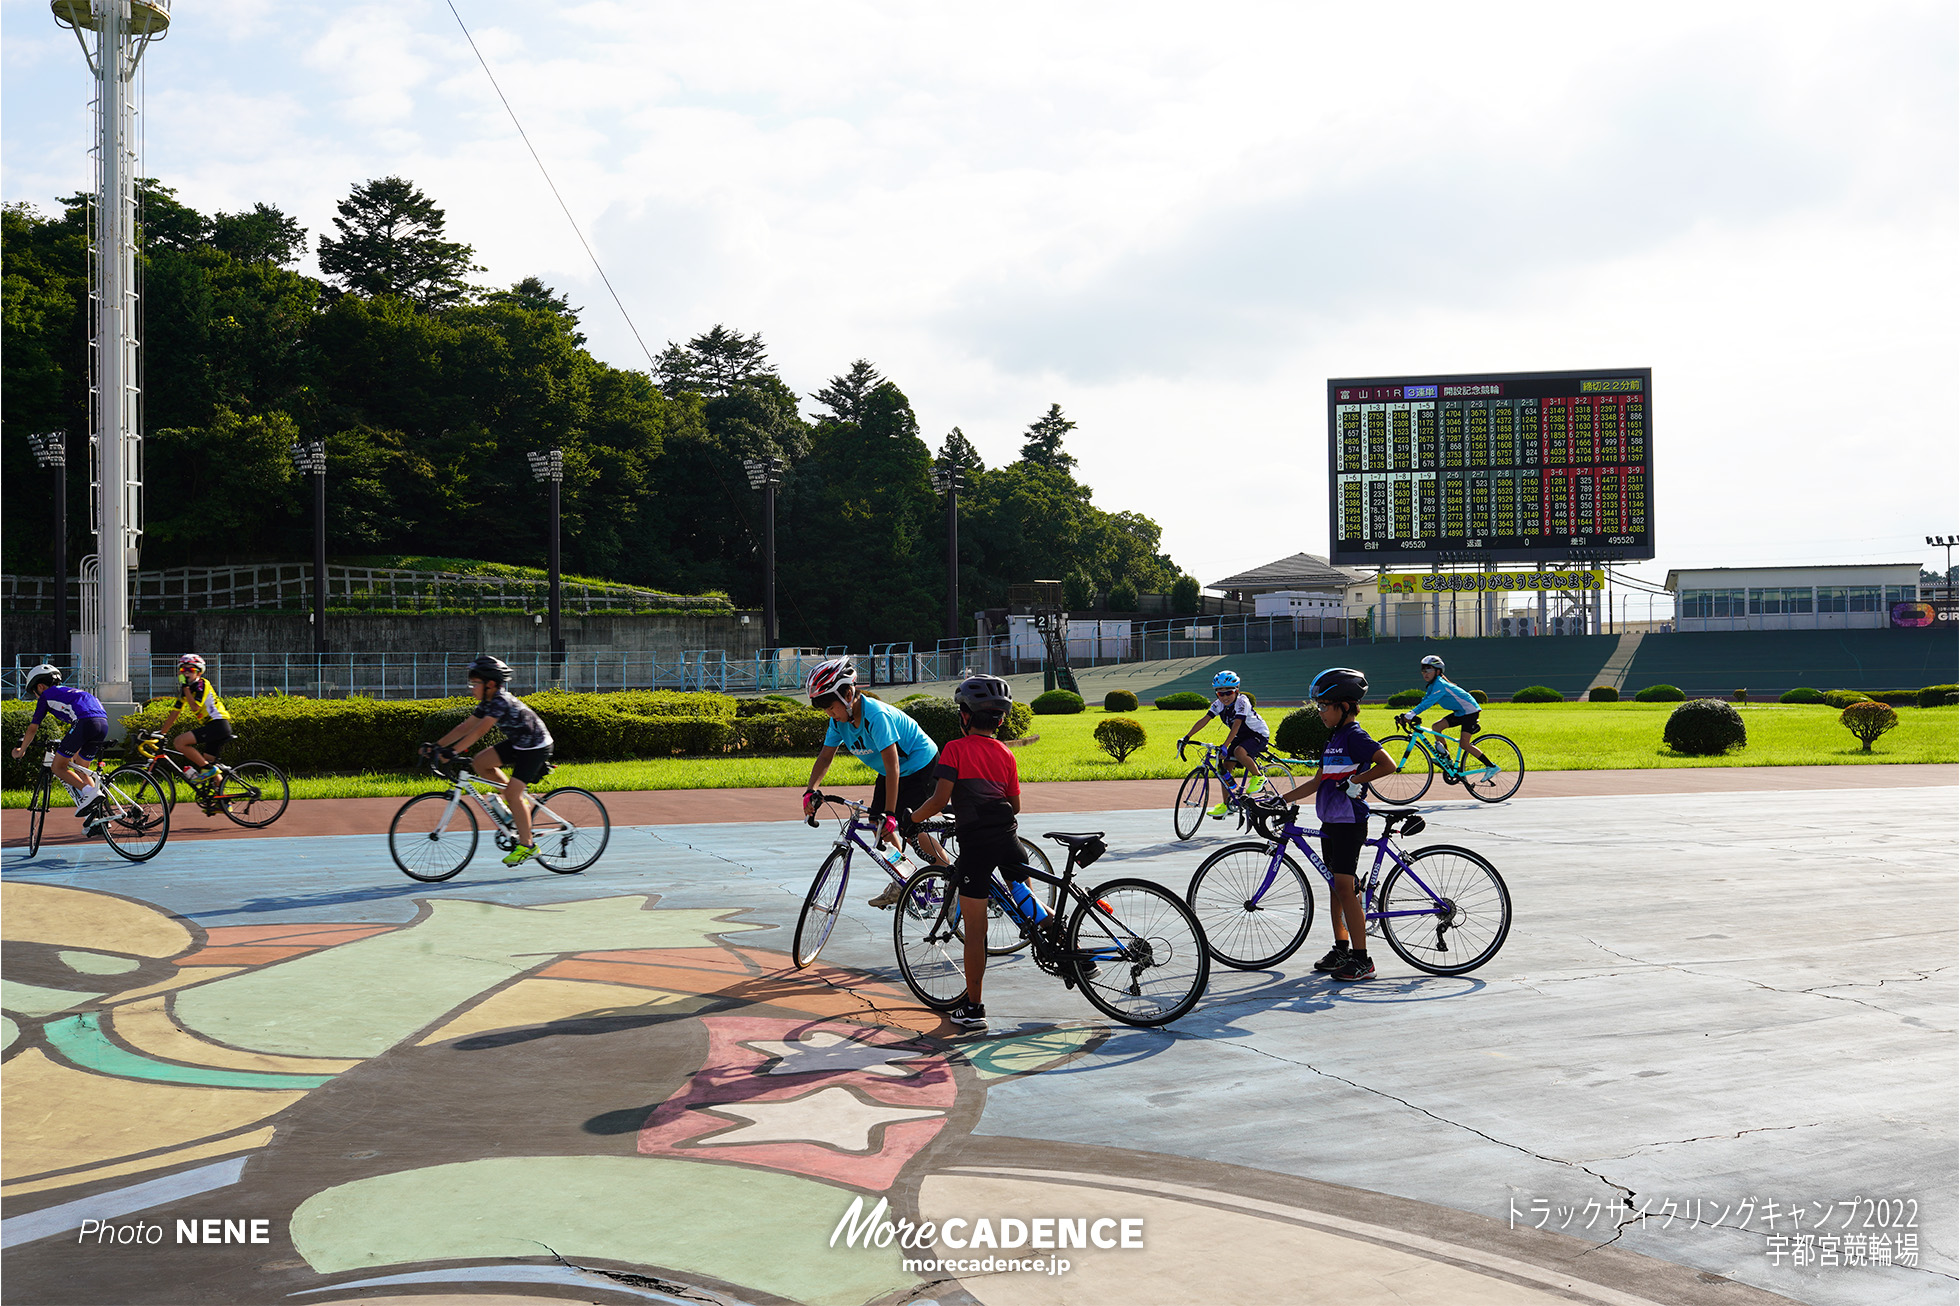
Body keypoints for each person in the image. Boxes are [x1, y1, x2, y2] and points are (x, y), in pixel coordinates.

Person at [902, 674, 1025, 1031]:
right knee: (1024, 894)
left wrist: (913, 819)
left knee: (975, 928)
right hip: (1008, 838)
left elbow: (939, 799)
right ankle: (1063, 937)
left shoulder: (955, 749)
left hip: (977, 847)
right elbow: (1014, 805)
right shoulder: (1005, 753)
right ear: (1000, 720)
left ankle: (973, 1009)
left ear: (967, 716)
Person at [1271, 667, 1396, 982]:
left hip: (1349, 821)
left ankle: (1362, 959)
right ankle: (1342, 948)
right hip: (1331, 820)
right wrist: (1280, 799)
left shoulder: (1355, 736)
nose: (1320, 711)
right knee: (1335, 886)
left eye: (1325, 705)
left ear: (1344, 706)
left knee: (1343, 886)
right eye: (1319, 705)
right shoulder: (1334, 738)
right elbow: (1317, 782)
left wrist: (1356, 779)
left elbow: (1388, 765)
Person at [801, 657, 944, 907]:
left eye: (830, 706)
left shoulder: (876, 715)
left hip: (920, 763)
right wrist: (810, 790)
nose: (828, 713)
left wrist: (891, 812)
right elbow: (825, 757)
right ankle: (905, 879)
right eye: (823, 708)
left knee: (911, 826)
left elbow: (893, 764)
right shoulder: (838, 721)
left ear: (847, 694)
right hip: (894, 770)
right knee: (879, 827)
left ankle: (951, 878)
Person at [423, 656, 555, 867]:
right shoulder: (487, 702)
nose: (471, 688)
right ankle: (516, 808)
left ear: (490, 684)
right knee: (480, 762)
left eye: (475, 683)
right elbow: (465, 727)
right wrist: (437, 746)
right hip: (518, 742)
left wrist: (453, 751)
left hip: (535, 747)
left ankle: (528, 846)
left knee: (512, 793)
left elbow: (480, 731)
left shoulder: (500, 701)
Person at [10, 664, 111, 823]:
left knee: (57, 767)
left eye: (35, 693)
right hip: (102, 723)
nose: (37, 697)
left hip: (83, 723)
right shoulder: (71, 692)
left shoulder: (46, 695)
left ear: (40, 686)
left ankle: (90, 793)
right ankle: (97, 817)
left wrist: (21, 750)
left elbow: (32, 728)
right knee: (82, 769)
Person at [1176, 669, 1272, 818]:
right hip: (1240, 736)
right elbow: (1204, 720)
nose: (1225, 697)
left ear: (1237, 691)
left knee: (1239, 751)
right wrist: (1186, 737)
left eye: (1229, 693)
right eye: (1220, 693)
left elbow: (1237, 724)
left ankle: (1258, 776)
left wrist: (1225, 745)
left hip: (1257, 734)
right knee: (1224, 767)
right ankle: (1227, 804)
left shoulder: (1242, 701)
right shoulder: (1218, 705)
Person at [1399, 654, 1490, 774]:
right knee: (1436, 727)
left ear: (1437, 671)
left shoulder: (1440, 685)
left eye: (1428, 670)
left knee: (1464, 744)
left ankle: (1491, 766)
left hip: (1470, 712)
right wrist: (1409, 714)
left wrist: (1411, 714)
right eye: (1423, 670)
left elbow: (1429, 703)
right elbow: (1424, 701)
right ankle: (1447, 760)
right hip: (1460, 712)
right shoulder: (1433, 685)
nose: (1425, 673)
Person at [156, 654, 233, 786]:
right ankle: (224, 802)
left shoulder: (202, 684)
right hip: (213, 726)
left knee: (179, 742)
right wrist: (161, 733)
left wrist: (185, 689)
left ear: (198, 672)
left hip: (218, 724)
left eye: (190, 670)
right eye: (183, 670)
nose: (186, 673)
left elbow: (195, 706)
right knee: (208, 765)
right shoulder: (186, 690)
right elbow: (175, 712)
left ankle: (209, 770)